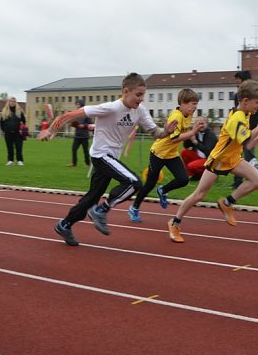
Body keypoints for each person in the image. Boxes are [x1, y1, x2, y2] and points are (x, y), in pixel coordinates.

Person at [40, 73, 177, 246]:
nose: (141, 99)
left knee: (92, 197)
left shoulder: (140, 111)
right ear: (126, 91)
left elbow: (156, 133)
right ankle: (102, 210)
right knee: (134, 182)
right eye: (138, 94)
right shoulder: (110, 108)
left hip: (111, 159)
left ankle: (65, 224)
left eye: (143, 95)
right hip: (100, 155)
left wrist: (167, 131)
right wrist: (52, 130)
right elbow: (71, 115)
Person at [167, 79, 258, 243]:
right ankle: (175, 222)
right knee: (199, 195)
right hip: (219, 160)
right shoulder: (236, 118)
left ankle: (227, 202)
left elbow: (247, 140)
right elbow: (247, 139)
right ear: (245, 101)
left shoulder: (245, 113)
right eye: (257, 102)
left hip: (234, 159)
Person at [127, 88, 200, 223]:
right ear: (183, 103)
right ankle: (134, 207)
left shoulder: (188, 115)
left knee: (183, 179)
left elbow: (182, 136)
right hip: (158, 154)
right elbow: (174, 138)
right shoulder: (176, 116)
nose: (195, 107)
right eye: (193, 104)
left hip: (171, 154)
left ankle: (163, 190)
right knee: (150, 183)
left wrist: (193, 136)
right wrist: (192, 132)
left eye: (196, 104)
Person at [231, 70, 258, 188]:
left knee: (247, 155)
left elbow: (255, 115)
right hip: (242, 131)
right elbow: (238, 114)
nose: (236, 82)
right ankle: (243, 179)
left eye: (238, 79)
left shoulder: (252, 98)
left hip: (248, 131)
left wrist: (255, 134)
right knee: (242, 155)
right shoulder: (237, 109)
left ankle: (248, 178)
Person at [181, 115, 217, 179]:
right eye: (198, 124)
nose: (201, 126)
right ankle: (189, 174)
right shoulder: (196, 132)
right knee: (184, 152)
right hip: (199, 156)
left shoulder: (211, 134)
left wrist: (195, 141)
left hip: (209, 159)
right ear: (195, 125)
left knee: (191, 166)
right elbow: (186, 146)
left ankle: (208, 175)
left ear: (206, 124)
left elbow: (207, 150)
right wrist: (189, 137)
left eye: (202, 123)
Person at [0, 97, 26, 165]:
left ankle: (20, 160)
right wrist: (4, 130)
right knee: (9, 147)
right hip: (8, 133)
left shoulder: (19, 111)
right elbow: (1, 122)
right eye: (11, 101)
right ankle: (10, 160)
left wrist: (22, 128)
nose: (12, 102)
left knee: (19, 147)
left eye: (14, 101)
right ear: (8, 102)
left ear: (15, 102)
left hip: (18, 133)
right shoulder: (4, 111)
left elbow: (24, 121)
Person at [68, 98, 93, 167]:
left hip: (84, 136)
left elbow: (90, 124)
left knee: (85, 151)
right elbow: (75, 124)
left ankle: (87, 163)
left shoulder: (86, 114)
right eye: (76, 104)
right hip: (77, 135)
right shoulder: (76, 114)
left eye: (78, 104)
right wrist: (71, 124)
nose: (77, 105)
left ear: (82, 104)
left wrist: (83, 126)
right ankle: (74, 163)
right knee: (74, 149)